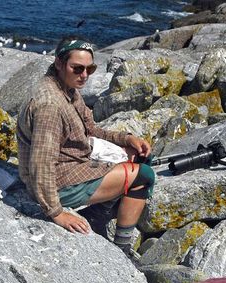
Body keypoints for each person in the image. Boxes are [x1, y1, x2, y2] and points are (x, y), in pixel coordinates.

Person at [17, 36, 155, 255]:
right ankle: (122, 248)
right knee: (144, 175)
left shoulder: (66, 88)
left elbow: (91, 130)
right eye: (77, 68)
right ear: (59, 63)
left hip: (74, 162)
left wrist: (126, 139)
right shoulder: (50, 106)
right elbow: (41, 164)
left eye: (90, 69)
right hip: (60, 181)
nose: (84, 76)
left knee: (140, 155)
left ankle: (98, 214)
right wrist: (57, 213)